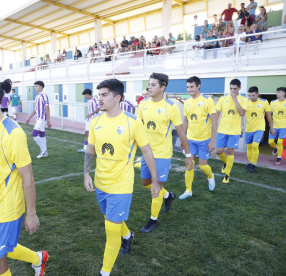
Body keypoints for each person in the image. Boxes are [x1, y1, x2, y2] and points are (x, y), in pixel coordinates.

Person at [0, 77, 48, 276]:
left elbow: (28, 178)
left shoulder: (13, 133)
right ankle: (39, 259)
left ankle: (38, 259)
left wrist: (31, 213)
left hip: (7, 208)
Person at [83, 78, 161, 276]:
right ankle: (128, 235)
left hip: (121, 186)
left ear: (117, 97)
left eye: (104, 95)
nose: (99, 99)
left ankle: (105, 272)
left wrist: (155, 181)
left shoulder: (132, 122)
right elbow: (90, 149)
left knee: (110, 231)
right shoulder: (95, 121)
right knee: (110, 219)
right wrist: (86, 173)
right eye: (98, 94)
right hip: (101, 183)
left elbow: (147, 152)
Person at [137, 73, 193, 232]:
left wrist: (188, 156)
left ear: (163, 87)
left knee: (156, 186)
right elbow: (137, 127)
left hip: (162, 153)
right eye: (149, 84)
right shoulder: (143, 104)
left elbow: (181, 133)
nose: (150, 87)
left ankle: (153, 220)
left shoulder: (171, 106)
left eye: (153, 85)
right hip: (147, 152)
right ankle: (168, 196)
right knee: (146, 183)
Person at [179, 76, 217, 199]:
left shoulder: (207, 100)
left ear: (198, 86)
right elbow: (185, 121)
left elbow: (215, 121)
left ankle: (211, 176)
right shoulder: (187, 102)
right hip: (190, 139)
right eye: (187, 87)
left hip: (204, 139)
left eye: (191, 87)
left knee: (202, 166)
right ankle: (188, 190)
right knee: (189, 165)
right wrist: (183, 138)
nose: (189, 89)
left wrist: (213, 140)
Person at [215, 79, 247, 183]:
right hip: (222, 129)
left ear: (239, 88)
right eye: (231, 88)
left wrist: (235, 99)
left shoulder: (243, 99)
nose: (232, 90)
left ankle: (227, 175)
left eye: (235, 89)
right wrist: (213, 124)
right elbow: (217, 113)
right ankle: (226, 163)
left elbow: (242, 113)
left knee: (230, 151)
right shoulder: (223, 98)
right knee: (219, 151)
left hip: (235, 130)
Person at [244, 86, 274, 173]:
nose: (251, 97)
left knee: (254, 145)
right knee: (249, 147)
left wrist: (271, 127)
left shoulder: (264, 102)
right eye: (250, 95)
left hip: (259, 128)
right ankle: (250, 162)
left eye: (253, 95)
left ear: (258, 94)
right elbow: (242, 114)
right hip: (249, 128)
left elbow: (268, 115)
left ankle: (254, 164)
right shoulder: (246, 102)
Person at [25, 81, 51, 158]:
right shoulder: (37, 97)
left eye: (36, 86)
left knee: (34, 134)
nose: (35, 88)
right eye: (35, 86)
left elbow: (47, 108)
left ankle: (43, 150)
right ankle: (45, 153)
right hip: (37, 118)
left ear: (41, 87)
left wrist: (48, 120)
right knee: (42, 134)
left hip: (42, 118)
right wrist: (29, 117)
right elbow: (35, 109)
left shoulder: (44, 95)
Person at [269, 87, 286, 165]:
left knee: (280, 142)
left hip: (284, 126)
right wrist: (271, 124)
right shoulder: (272, 102)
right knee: (271, 142)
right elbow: (269, 114)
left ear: (284, 93)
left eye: (279, 92)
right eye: (277, 92)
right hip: (274, 125)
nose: (277, 93)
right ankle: (276, 147)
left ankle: (278, 158)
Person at [78, 89, 100, 153]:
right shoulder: (88, 101)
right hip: (89, 120)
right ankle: (85, 148)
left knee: (96, 134)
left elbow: (99, 108)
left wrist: (91, 114)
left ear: (87, 94)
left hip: (95, 119)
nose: (84, 96)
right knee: (86, 133)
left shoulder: (95, 99)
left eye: (85, 95)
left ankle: (97, 148)